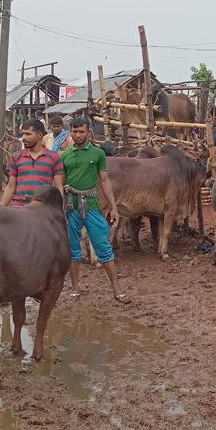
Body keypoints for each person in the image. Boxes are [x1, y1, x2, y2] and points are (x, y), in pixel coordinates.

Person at [62, 117, 129, 302]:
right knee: (73, 250)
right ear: (71, 132)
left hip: (92, 204)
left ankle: (117, 290)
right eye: (74, 131)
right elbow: (60, 183)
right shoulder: (65, 156)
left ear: (88, 132)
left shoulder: (98, 154)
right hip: (71, 206)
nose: (77, 135)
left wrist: (114, 207)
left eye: (81, 131)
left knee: (104, 247)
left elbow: (105, 181)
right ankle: (75, 288)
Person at [0, 120, 66, 207]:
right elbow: (11, 186)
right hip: (19, 207)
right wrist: (0, 209)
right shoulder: (16, 157)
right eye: (23, 134)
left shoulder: (54, 157)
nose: (23, 137)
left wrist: (59, 209)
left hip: (42, 207)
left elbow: (58, 187)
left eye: (28, 134)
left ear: (40, 135)